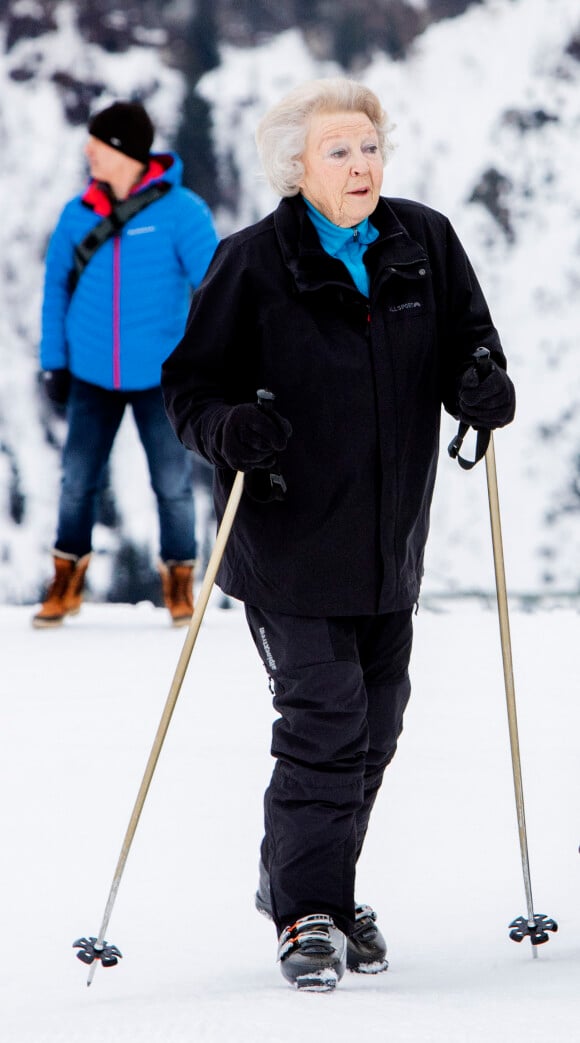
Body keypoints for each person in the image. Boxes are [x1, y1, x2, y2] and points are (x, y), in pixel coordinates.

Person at [161, 78, 515, 990]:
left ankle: (311, 879)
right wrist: (231, 426)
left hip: (390, 545)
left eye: (369, 147)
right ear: (296, 166)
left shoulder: (423, 242)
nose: (362, 165)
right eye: (339, 150)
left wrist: (482, 386)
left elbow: (471, 345)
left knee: (377, 727)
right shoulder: (250, 263)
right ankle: (307, 910)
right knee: (325, 723)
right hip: (286, 546)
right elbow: (191, 393)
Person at [34, 100, 218, 628]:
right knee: (76, 480)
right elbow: (55, 291)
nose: (88, 151)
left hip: (162, 375)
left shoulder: (182, 212)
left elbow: (215, 286)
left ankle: (180, 588)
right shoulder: (77, 214)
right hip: (90, 371)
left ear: (123, 151)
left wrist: (208, 361)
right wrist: (55, 362)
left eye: (98, 144)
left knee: (172, 482)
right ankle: (64, 586)